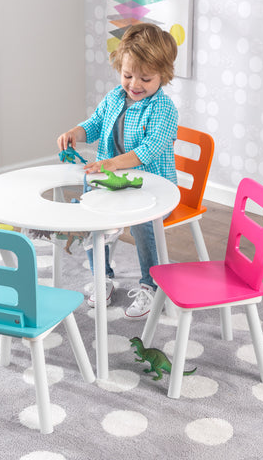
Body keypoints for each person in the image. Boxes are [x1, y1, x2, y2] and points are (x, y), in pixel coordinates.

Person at [57, 23, 178, 320]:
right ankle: (102, 277)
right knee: (90, 215)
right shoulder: (114, 98)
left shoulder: (164, 110)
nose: (135, 84)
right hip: (113, 182)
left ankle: (151, 285)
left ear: (163, 75)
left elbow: (148, 150)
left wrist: (111, 163)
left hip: (152, 188)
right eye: (127, 75)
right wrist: (75, 133)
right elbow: (95, 124)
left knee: (143, 226)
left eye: (145, 78)